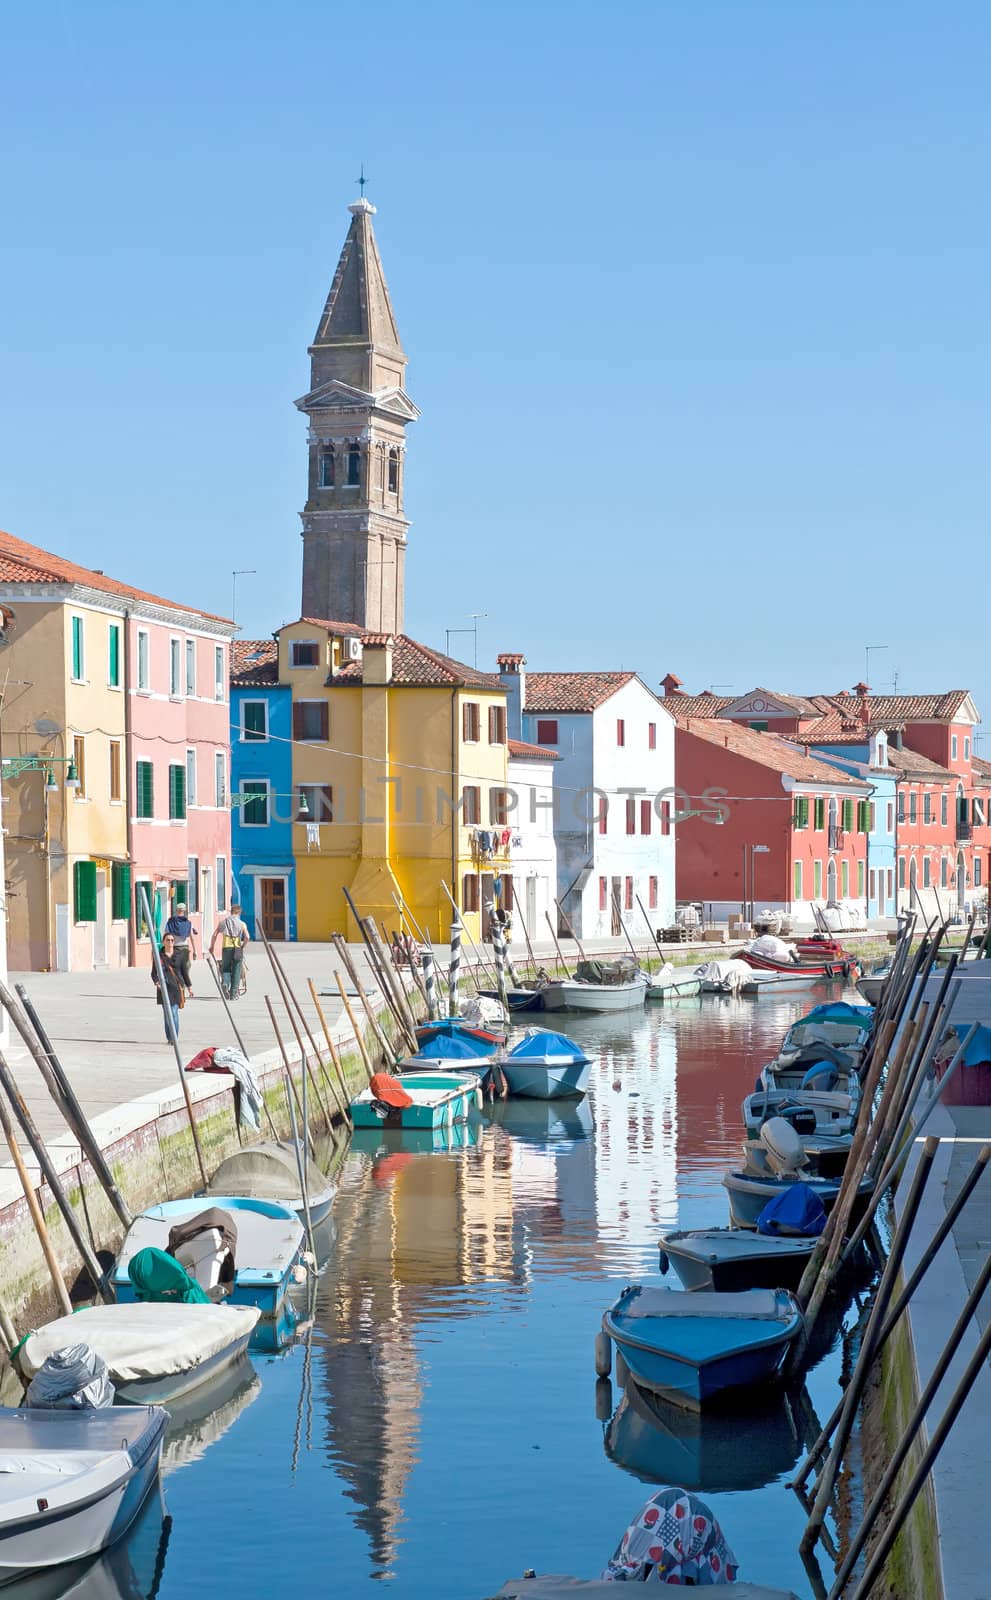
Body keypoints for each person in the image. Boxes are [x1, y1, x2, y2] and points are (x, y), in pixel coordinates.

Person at [210, 901, 250, 999]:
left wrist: (212, 947)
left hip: (226, 948)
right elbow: (247, 937)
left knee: (226, 967)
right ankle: (233, 994)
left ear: (231, 911)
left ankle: (225, 982)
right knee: (236, 969)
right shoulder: (242, 924)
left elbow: (215, 934)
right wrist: (243, 946)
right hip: (237, 948)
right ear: (239, 912)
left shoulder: (223, 922)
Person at [152, 933, 186, 1042]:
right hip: (164, 988)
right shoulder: (158, 956)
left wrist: (189, 987)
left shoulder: (179, 955)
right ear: (163, 942)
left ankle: (174, 1038)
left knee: (174, 1013)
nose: (170, 942)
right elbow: (153, 973)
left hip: (176, 987)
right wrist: (156, 982)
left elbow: (184, 972)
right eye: (168, 940)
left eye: (172, 940)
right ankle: (169, 1038)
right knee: (167, 1015)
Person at [164, 902, 198, 995]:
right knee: (185, 968)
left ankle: (178, 985)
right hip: (184, 948)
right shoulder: (188, 923)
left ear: (176, 910)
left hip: (173, 948)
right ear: (184, 911)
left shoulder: (170, 922)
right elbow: (192, 937)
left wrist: (165, 947)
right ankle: (182, 985)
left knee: (175, 968)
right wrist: (195, 951)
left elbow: (166, 934)